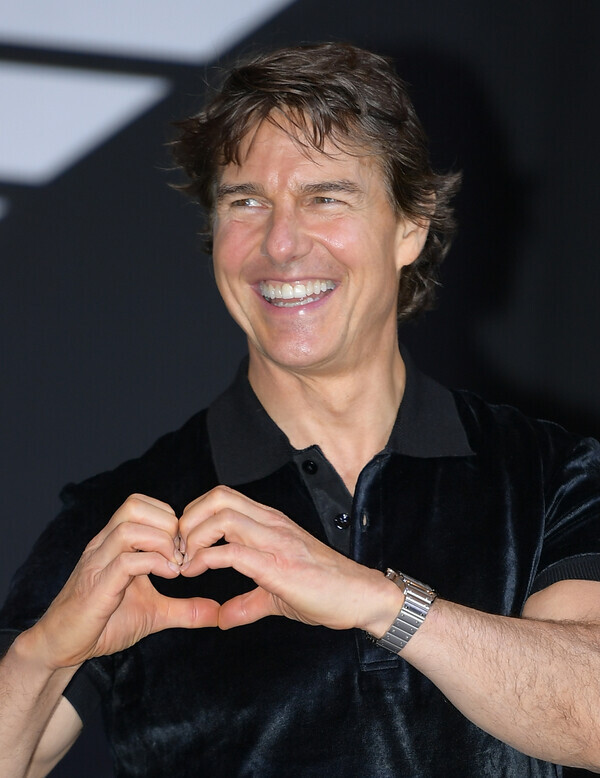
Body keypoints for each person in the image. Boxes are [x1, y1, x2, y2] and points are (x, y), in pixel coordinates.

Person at [1, 42, 600, 778]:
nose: (280, 245)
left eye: (326, 197)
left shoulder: (554, 475)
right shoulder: (127, 521)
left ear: (410, 226)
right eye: (246, 202)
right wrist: (41, 652)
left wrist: (380, 603)